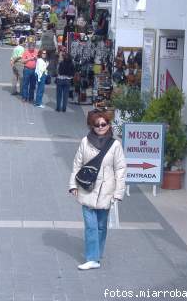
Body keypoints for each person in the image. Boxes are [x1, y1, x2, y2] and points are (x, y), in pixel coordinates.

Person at [69, 110, 127, 270]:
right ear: (91, 126)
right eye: (97, 125)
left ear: (108, 125)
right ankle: (92, 258)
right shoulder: (85, 142)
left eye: (104, 124)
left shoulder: (115, 145)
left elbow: (120, 169)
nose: (101, 127)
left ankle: (97, 254)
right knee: (91, 226)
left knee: (101, 226)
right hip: (87, 189)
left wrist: (118, 193)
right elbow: (77, 164)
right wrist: (73, 185)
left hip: (106, 191)